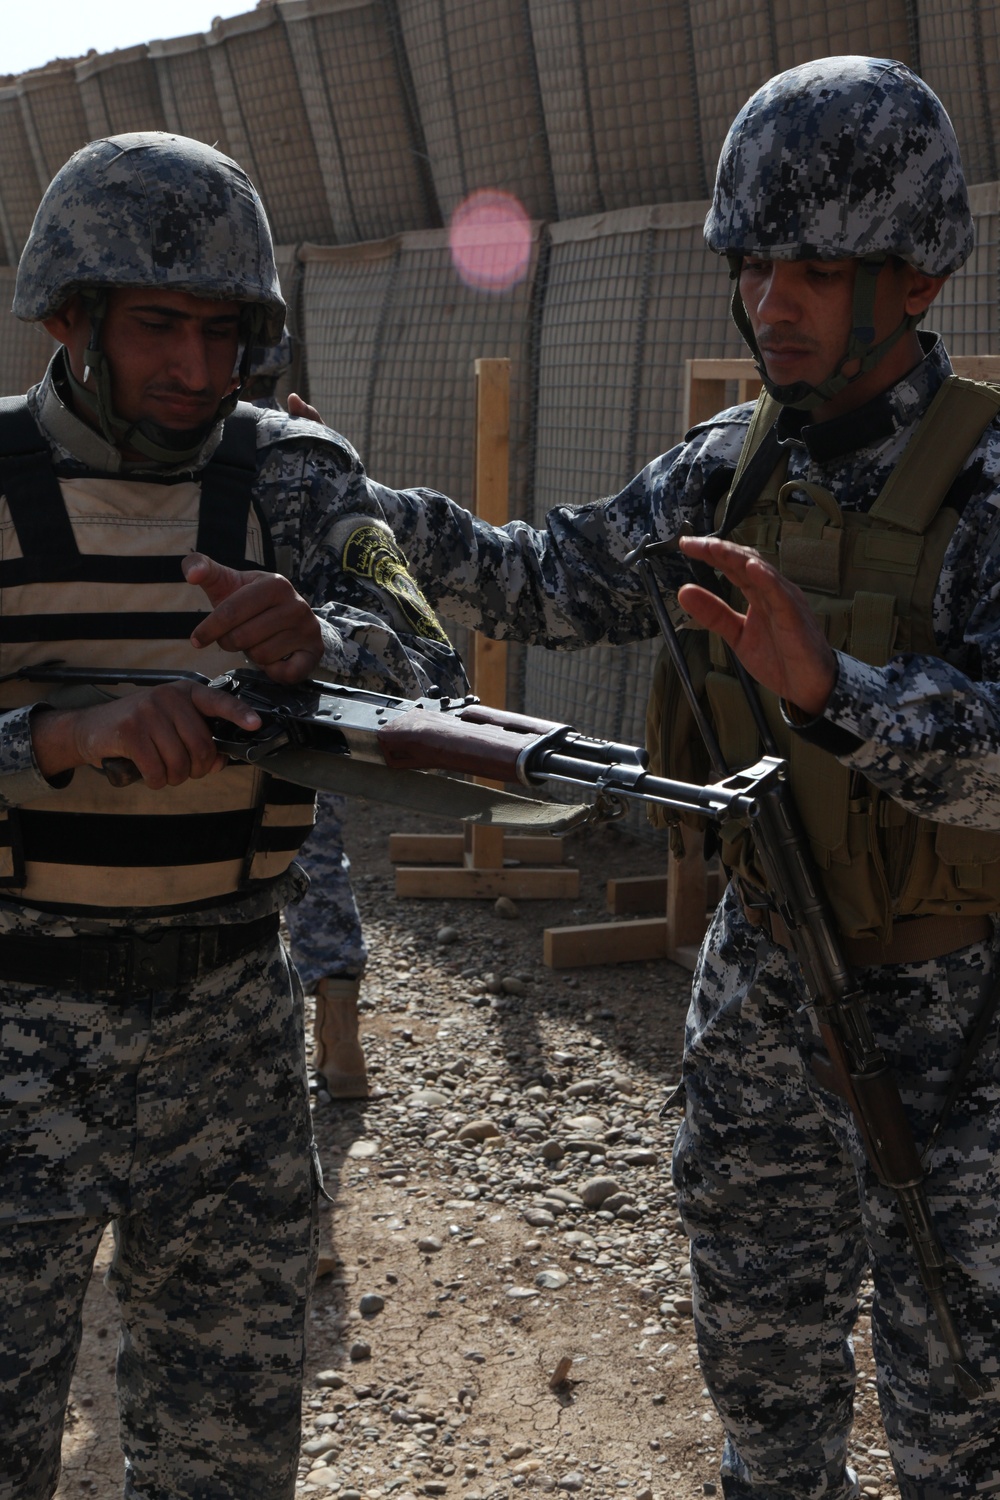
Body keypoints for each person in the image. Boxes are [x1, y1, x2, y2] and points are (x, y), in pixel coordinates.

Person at [362, 57, 1000, 1500]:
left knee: (962, 1419)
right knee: (765, 1388)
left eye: (814, 268)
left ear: (909, 278)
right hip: (771, 984)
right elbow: (551, 579)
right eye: (753, 260)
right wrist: (360, 513)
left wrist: (835, 693)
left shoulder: (987, 491)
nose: (770, 298)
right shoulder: (723, 470)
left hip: (964, 1021)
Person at [0, 132, 463, 1500]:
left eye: (223, 333)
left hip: (229, 1032)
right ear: (68, 318)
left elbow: (439, 671)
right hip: (15, 1023)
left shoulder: (305, 476)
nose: (197, 372)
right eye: (157, 327)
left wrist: (327, 644)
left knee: (225, 1459)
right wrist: (54, 738)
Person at [245, 334, 370, 1099]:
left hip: (217, 705)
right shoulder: (298, 457)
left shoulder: (168, 459)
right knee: (318, 863)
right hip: (304, 704)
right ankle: (342, 1046)